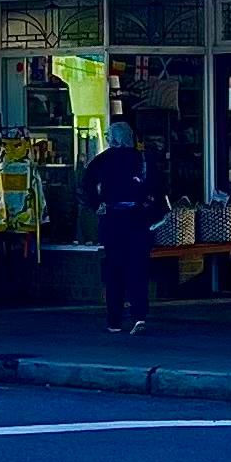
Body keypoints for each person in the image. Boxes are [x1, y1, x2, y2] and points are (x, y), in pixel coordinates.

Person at [78, 115, 162, 337]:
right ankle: (139, 316)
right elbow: (158, 189)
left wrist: (97, 205)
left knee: (114, 271)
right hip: (137, 220)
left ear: (112, 139)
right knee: (137, 270)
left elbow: (85, 184)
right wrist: (148, 210)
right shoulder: (142, 159)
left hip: (112, 219)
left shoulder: (102, 161)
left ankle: (114, 320)